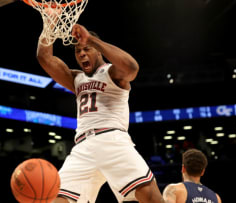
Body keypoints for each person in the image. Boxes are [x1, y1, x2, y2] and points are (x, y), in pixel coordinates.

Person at [36, 22, 165, 203]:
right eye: (77, 51)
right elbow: (44, 58)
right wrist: (49, 25)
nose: (81, 54)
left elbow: (132, 68)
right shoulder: (76, 78)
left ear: (97, 50)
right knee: (56, 199)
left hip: (112, 139)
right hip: (83, 146)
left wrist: (92, 40)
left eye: (86, 49)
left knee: (150, 196)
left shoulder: (112, 72)